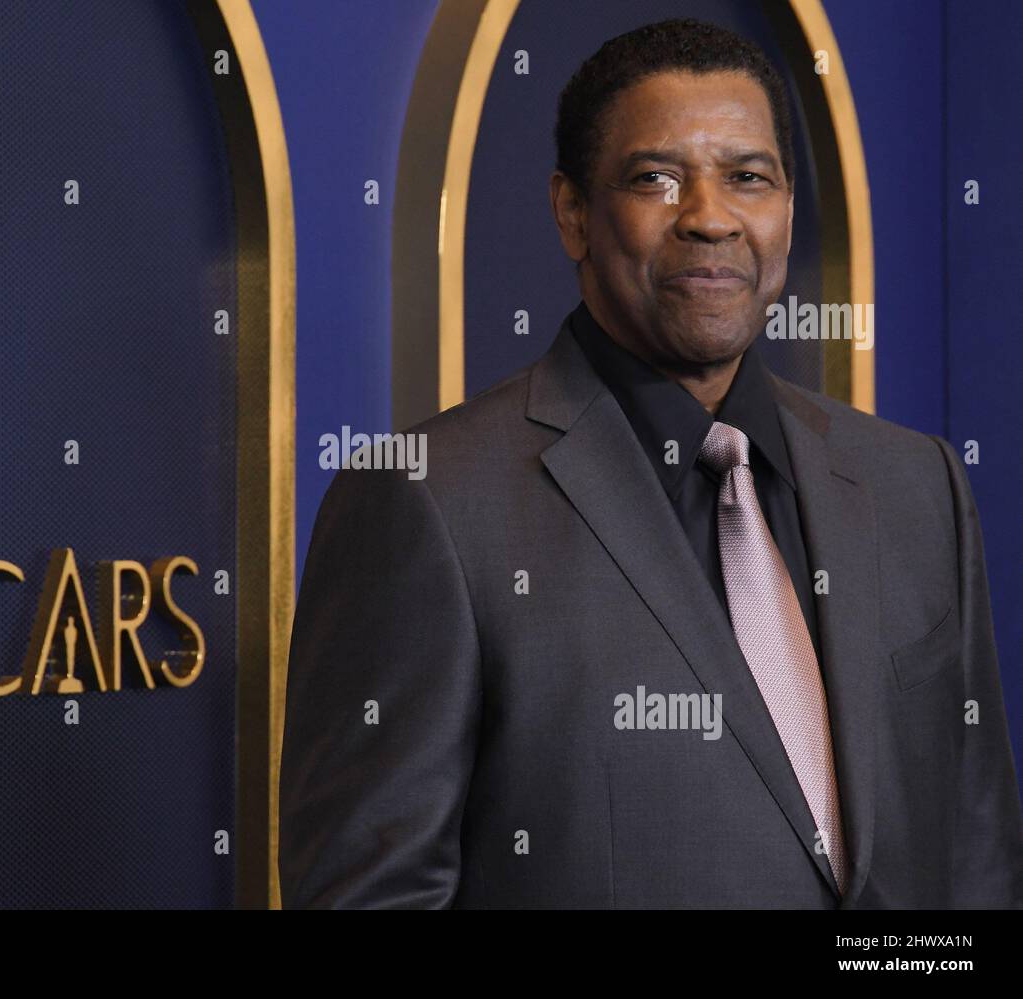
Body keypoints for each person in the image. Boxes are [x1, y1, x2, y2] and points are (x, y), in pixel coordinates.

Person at [278, 18, 1023, 908]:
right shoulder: (427, 502)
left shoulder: (917, 485)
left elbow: (975, 872)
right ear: (572, 213)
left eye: (749, 177)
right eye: (656, 179)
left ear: (787, 209)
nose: (710, 216)